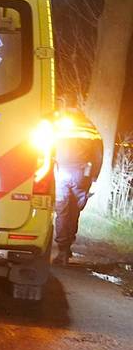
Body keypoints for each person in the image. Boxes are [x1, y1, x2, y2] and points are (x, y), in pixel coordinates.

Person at [53, 107, 103, 265]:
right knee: (74, 212)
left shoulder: (59, 126)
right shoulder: (91, 128)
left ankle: (62, 250)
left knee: (62, 211)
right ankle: (67, 248)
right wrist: (94, 176)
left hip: (62, 173)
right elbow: (98, 155)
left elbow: (49, 149)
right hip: (82, 174)